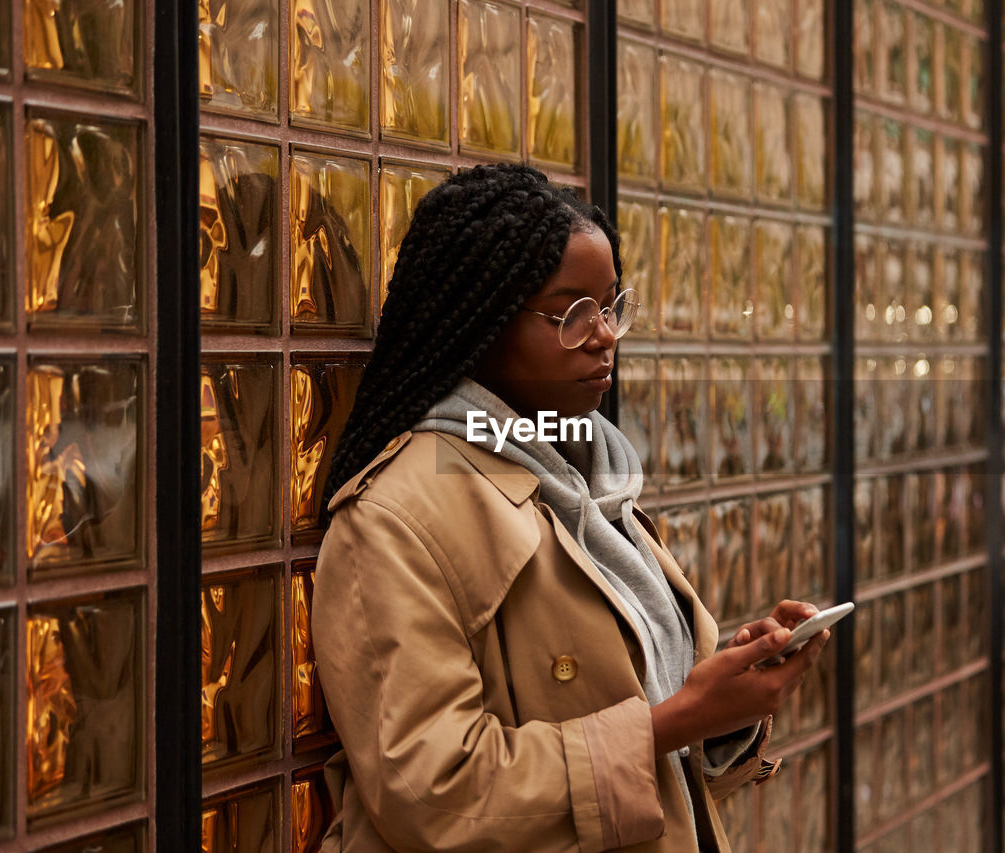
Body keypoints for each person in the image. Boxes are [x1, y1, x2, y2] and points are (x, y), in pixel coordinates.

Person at [313, 163, 830, 852]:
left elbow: (663, 778)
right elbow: (431, 794)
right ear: (483, 318)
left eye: (612, 306)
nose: (606, 334)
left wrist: (723, 699)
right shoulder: (395, 517)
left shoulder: (596, 486)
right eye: (572, 314)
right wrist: (672, 720)